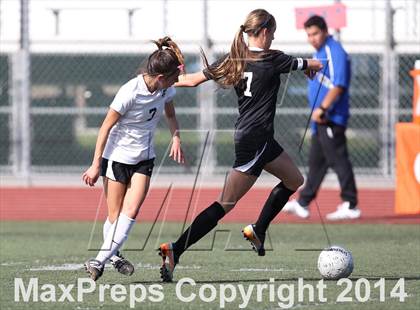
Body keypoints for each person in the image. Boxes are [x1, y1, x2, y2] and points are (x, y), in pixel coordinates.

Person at [157, 9, 323, 282]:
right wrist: (315, 67)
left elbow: (192, 80)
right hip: (254, 140)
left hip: (260, 139)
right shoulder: (272, 58)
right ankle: (175, 249)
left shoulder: (235, 57)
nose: (273, 38)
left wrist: (164, 79)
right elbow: (309, 64)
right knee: (225, 204)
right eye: (273, 33)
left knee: (294, 180)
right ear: (266, 32)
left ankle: (258, 229)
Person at [82, 37, 185, 281]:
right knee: (115, 218)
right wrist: (96, 164)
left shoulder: (165, 90)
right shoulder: (129, 92)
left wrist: (176, 137)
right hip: (116, 159)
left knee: (132, 211)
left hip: (144, 159)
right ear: (161, 78)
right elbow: (105, 128)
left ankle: (98, 260)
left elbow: (171, 116)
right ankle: (114, 255)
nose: (175, 83)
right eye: (173, 78)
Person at [283, 15, 360, 220]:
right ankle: (303, 202)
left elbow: (339, 84)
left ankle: (351, 204)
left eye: (315, 33)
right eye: (309, 34)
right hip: (321, 120)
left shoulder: (333, 51)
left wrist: (323, 108)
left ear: (325, 31)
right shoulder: (319, 51)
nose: (312, 38)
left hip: (331, 117)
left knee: (338, 159)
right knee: (316, 162)